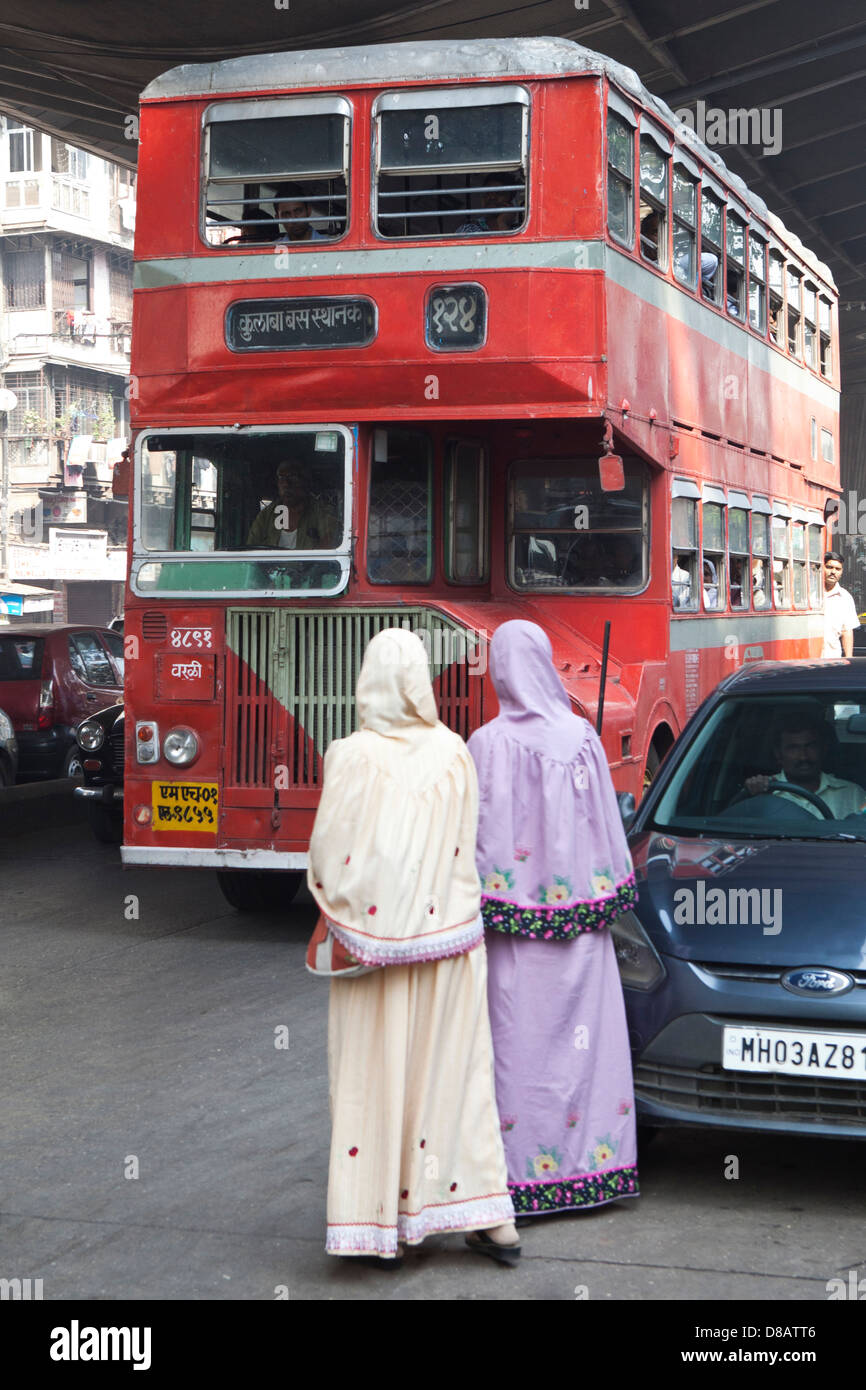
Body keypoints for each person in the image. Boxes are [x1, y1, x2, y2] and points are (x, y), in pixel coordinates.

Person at [308, 628, 519, 1265]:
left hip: (370, 955)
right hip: (451, 948)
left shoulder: (349, 755)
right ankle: (488, 1219)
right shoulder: (455, 751)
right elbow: (466, 843)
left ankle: (372, 1226)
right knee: (454, 1081)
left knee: (372, 1081)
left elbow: (330, 855)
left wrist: (358, 911)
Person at [467, 620, 639, 1219]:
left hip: (511, 942)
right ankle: (594, 1171)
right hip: (585, 937)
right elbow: (608, 835)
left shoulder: (484, 745)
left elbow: (474, 842)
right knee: (585, 1051)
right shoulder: (583, 737)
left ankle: (516, 1181)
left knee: (516, 1051)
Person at [744, 710, 866, 818]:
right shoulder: (761, 790)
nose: (803, 756)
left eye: (810, 746)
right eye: (793, 748)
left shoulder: (852, 793)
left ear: (822, 749)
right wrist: (760, 799)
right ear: (778, 754)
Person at [246, 460, 339, 549]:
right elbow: (251, 549)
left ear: (305, 482)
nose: (286, 484)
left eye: (293, 477)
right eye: (281, 478)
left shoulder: (322, 512)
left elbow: (329, 545)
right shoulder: (266, 516)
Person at [456, 172, 523, 234]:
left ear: (510, 198)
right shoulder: (468, 230)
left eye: (499, 193)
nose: (492, 197)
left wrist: (502, 223)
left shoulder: (520, 230)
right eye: (487, 193)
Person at [821, 550, 860, 658]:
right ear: (821, 567)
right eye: (829, 567)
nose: (833, 572)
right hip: (807, 660)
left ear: (842, 572)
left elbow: (847, 631)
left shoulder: (845, 597)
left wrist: (849, 659)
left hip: (832, 659)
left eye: (837, 569)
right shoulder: (809, 593)